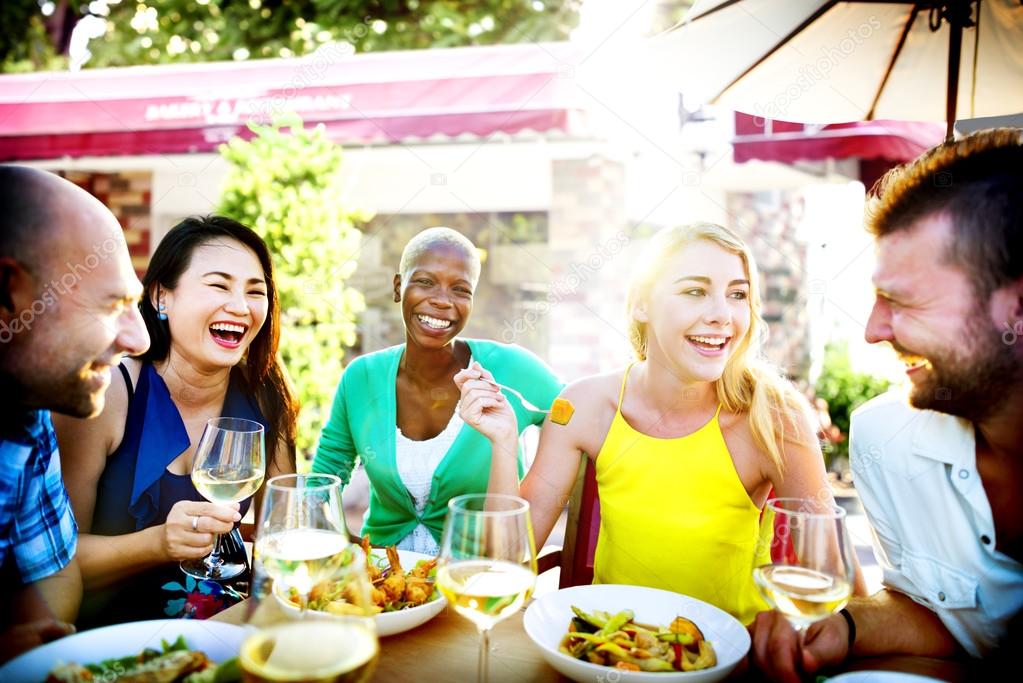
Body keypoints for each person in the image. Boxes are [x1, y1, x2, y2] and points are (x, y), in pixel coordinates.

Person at [456, 222, 845, 626]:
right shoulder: (584, 405)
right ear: (642, 303)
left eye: (738, 294)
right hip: (607, 649)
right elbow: (505, 558)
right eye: (695, 291)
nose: (721, 315)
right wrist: (502, 441)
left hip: (727, 657)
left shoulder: (775, 417)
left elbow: (830, 579)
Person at [750, 128, 1023, 681]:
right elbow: (933, 610)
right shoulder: (884, 439)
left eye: (904, 300)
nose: (873, 330)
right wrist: (845, 625)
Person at [54, 216, 297, 626]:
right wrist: (158, 543)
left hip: (228, 634)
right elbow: (51, 561)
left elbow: (286, 536)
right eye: (219, 285)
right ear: (161, 297)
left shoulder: (266, 393)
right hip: (111, 644)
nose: (240, 306)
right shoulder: (108, 391)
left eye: (256, 292)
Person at [312, 227, 562, 553]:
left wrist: (534, 495)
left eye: (460, 289)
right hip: (385, 583)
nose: (442, 301)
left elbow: (580, 419)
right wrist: (344, 551)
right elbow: (324, 481)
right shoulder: (361, 378)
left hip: (472, 584)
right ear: (398, 286)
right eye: (425, 282)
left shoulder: (512, 371)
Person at [0, 166, 149, 659]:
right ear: (6, 293)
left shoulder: (26, 416)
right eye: (114, 305)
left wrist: (38, 651)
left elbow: (50, 573)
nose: (139, 339)